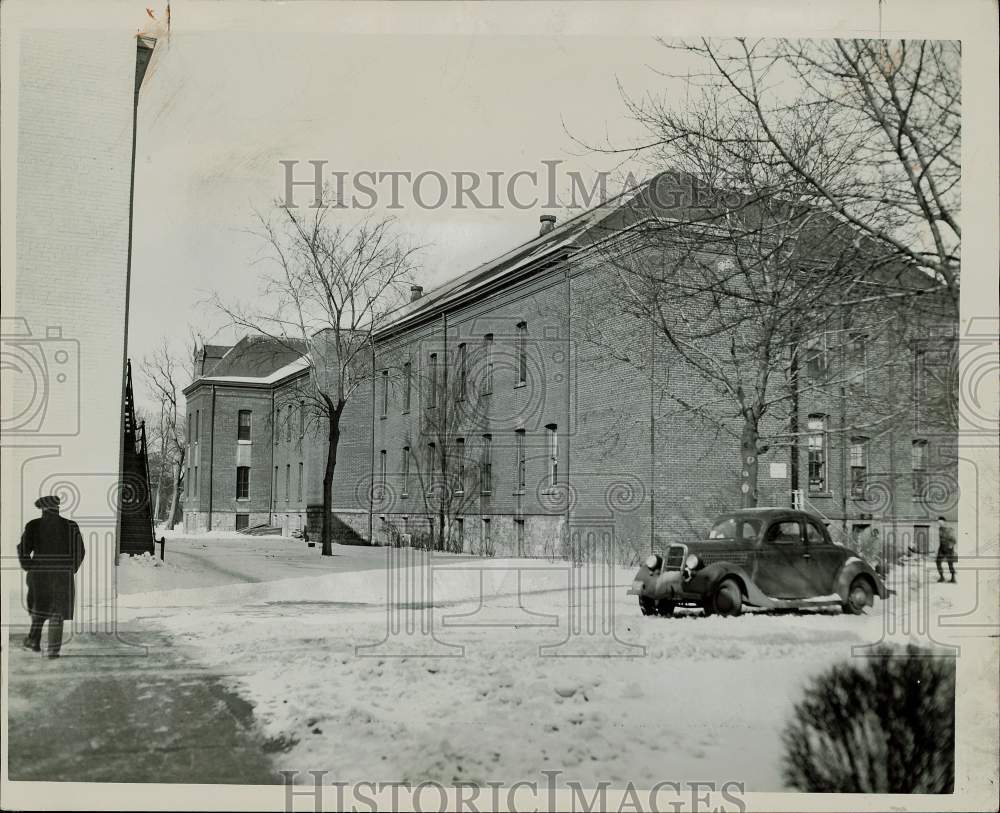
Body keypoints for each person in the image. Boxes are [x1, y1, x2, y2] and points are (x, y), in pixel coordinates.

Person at [17, 495, 86, 657]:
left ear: (42, 509)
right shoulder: (71, 526)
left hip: (40, 574)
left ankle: (34, 641)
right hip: (63, 576)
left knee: (39, 608)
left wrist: (30, 567)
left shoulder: (34, 525)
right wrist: (70, 568)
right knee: (57, 612)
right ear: (57, 508)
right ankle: (53, 650)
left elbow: (23, 549)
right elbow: (80, 551)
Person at [935, 515, 957, 583]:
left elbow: (954, 540)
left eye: (941, 522)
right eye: (939, 522)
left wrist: (950, 546)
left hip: (948, 549)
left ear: (944, 522)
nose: (939, 523)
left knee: (950, 563)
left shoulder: (949, 529)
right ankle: (941, 577)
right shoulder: (940, 529)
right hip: (941, 548)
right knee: (938, 562)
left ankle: (953, 578)